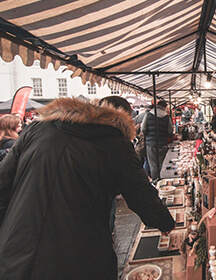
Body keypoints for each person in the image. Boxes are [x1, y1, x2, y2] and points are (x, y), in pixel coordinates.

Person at [0, 97, 175, 279]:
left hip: (16, 251)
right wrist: (165, 222)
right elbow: (141, 193)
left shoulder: (37, 130)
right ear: (126, 118)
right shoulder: (114, 141)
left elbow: (3, 184)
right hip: (80, 255)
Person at [142, 100, 173, 181]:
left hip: (151, 144)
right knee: (161, 164)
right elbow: (170, 131)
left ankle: (156, 182)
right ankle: (162, 180)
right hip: (163, 143)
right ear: (164, 107)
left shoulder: (148, 115)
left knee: (153, 165)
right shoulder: (167, 117)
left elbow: (143, 129)